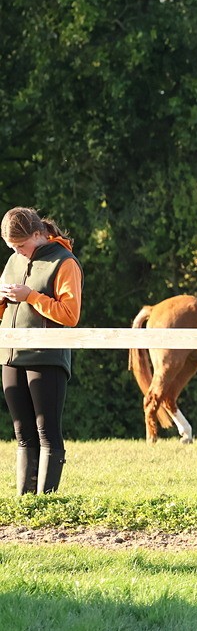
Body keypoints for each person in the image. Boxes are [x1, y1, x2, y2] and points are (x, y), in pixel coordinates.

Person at [0, 207, 82, 495]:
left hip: (46, 356)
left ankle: (45, 502)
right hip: (10, 354)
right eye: (12, 247)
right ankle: (25, 501)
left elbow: (70, 315)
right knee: (22, 434)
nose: (18, 252)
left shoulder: (64, 262)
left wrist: (31, 297)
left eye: (21, 245)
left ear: (38, 234)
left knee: (47, 432)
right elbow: (7, 311)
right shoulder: (13, 261)